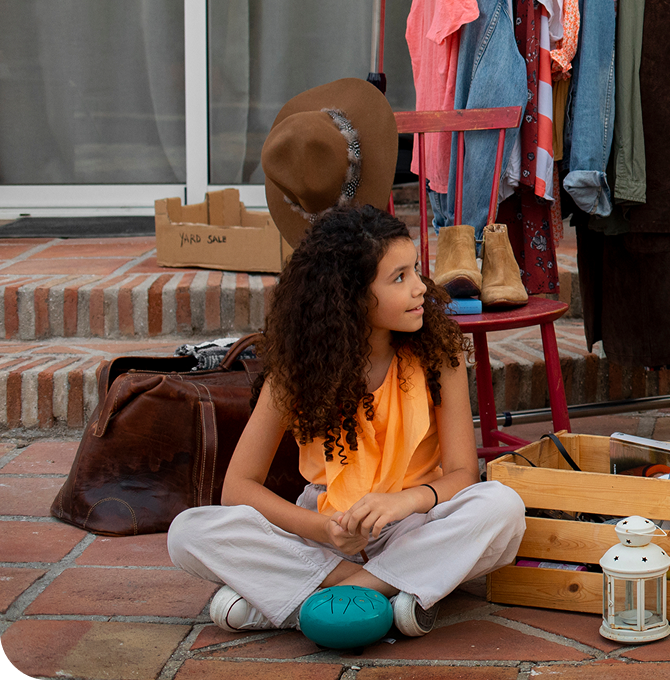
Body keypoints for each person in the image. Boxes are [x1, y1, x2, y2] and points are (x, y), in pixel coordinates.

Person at [168, 201, 526, 639]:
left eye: (415, 270)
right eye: (399, 278)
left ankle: (319, 601)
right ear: (350, 296)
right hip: (323, 535)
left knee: (502, 508)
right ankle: (389, 595)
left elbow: (463, 474)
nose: (421, 288)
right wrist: (323, 529)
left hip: (413, 524)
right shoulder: (296, 371)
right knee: (187, 532)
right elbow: (238, 488)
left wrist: (404, 502)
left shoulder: (439, 357)